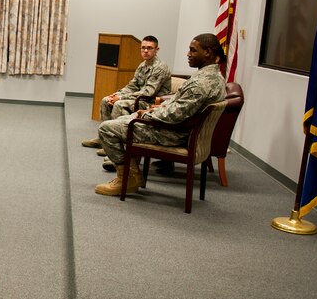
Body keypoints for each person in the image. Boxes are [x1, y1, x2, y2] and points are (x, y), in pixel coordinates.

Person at [95, 33, 227, 197]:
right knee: (123, 119)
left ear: (207, 52)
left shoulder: (201, 84)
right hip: (179, 128)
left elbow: (174, 115)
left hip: (173, 133)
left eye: (193, 50)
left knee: (107, 129)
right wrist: (151, 111)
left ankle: (127, 178)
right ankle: (132, 171)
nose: (188, 54)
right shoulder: (214, 77)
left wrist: (145, 116)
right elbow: (178, 105)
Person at [82, 35, 171, 152]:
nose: (145, 51)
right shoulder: (143, 65)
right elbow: (132, 86)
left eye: (149, 48)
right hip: (141, 99)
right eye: (143, 48)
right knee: (106, 100)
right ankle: (103, 139)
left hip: (152, 103)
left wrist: (121, 97)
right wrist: (115, 95)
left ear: (156, 50)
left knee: (119, 104)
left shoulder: (160, 67)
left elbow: (148, 92)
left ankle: (116, 145)